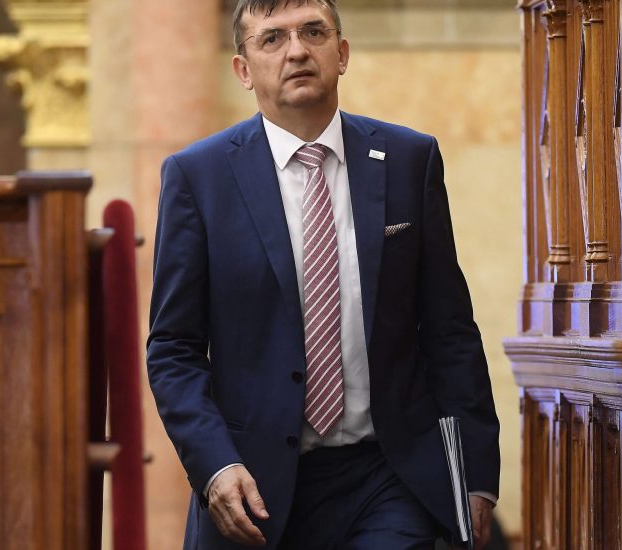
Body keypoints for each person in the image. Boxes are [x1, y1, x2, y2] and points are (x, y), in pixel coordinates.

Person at [147, 1, 500, 548]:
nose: (296, 51)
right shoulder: (199, 177)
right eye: (272, 39)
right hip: (256, 486)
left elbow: (450, 330)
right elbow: (173, 348)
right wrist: (215, 465)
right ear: (243, 69)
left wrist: (475, 473)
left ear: (342, 53)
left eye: (313, 32)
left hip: (389, 475)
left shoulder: (409, 159)